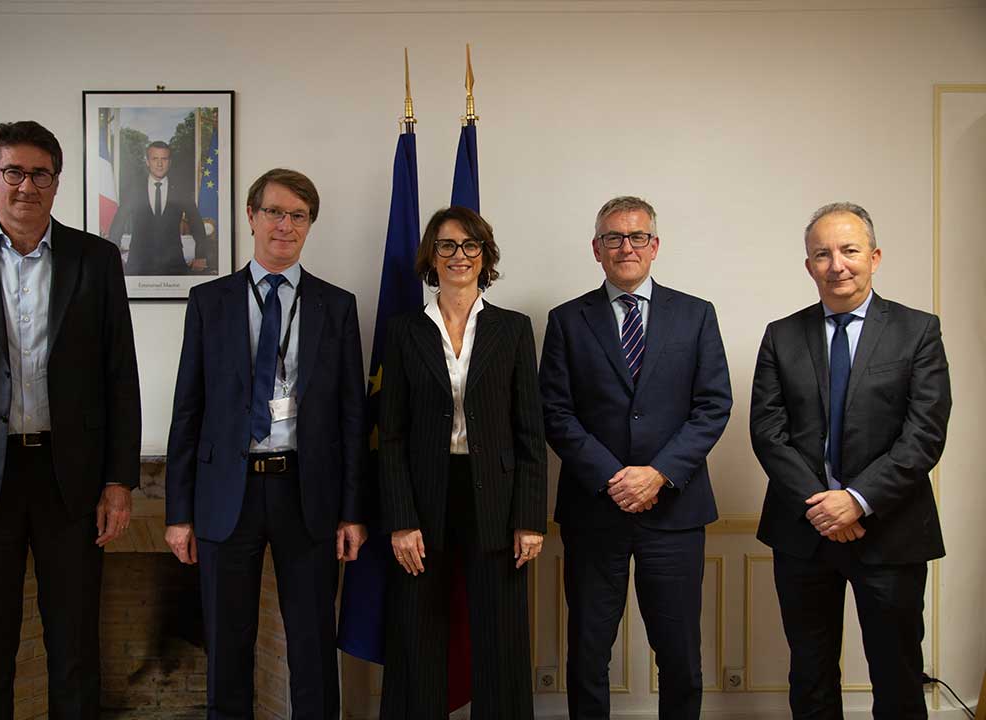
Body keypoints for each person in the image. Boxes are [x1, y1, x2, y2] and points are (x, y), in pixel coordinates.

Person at [0, 121, 141, 719]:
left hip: (71, 481)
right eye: (14, 171)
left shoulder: (96, 259)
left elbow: (120, 378)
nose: (26, 186)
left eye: (40, 174)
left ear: (57, 182)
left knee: (75, 649)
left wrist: (118, 481)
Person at [164, 168, 368, 719]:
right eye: (274, 212)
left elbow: (353, 416)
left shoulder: (336, 305)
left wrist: (353, 511)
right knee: (227, 646)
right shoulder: (209, 301)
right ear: (251, 216)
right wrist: (178, 513)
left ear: (309, 225)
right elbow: (188, 411)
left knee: (312, 646)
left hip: (307, 491)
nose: (285, 225)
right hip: (226, 494)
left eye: (298, 216)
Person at [750, 202, 950, 719]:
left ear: (874, 257)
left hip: (891, 531)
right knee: (810, 674)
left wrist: (857, 501)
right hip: (803, 531)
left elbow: (924, 435)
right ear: (809, 265)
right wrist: (824, 506)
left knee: (897, 675)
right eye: (822, 254)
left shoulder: (918, 330)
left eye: (849, 250)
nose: (836, 264)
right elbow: (768, 433)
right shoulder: (781, 335)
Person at [540, 196, 732, 719]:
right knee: (588, 653)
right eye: (614, 238)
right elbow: (555, 411)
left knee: (679, 655)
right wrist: (613, 477)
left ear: (655, 246)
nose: (626, 247)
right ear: (596, 249)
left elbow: (713, 406)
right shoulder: (566, 320)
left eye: (637, 236)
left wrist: (659, 474)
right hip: (593, 512)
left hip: (675, 513)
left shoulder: (696, 315)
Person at [378, 206, 546, 719]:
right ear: (432, 255)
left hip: (496, 497)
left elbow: (530, 433)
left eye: (470, 245)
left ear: (484, 256)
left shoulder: (513, 329)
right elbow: (391, 436)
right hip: (423, 497)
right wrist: (401, 519)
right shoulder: (403, 331)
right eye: (447, 245)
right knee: (417, 631)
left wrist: (530, 519)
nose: (459, 255)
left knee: (500, 634)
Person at [108, 140, 210, 275]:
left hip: (174, 264)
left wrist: (200, 256)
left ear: (170, 162)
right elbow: (118, 223)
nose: (160, 164)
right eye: (155, 159)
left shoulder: (181, 190)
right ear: (147, 161)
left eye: (164, 159)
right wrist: (113, 257)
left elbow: (196, 223)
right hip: (138, 265)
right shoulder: (134, 189)